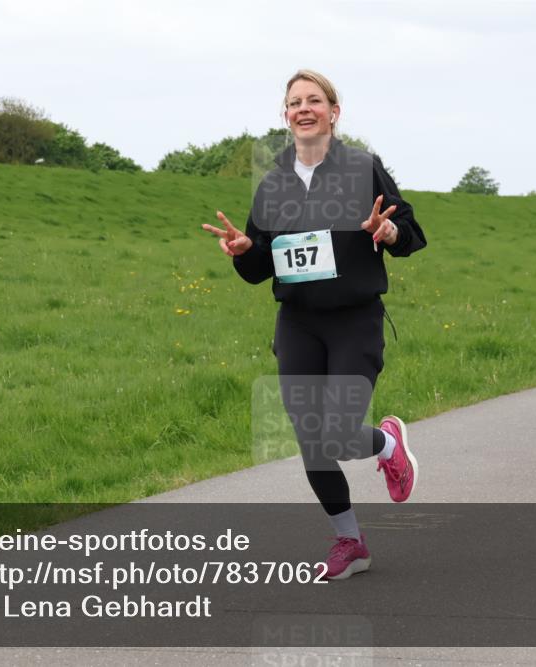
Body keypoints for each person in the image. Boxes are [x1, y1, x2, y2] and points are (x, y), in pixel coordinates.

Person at [202, 70, 427, 580]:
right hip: (298, 322)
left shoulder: (362, 168)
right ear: (285, 116)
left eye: (314, 100)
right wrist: (244, 251)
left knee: (341, 432)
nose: (304, 108)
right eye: (294, 102)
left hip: (354, 318)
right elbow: (261, 266)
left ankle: (389, 445)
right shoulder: (274, 182)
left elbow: (413, 233)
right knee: (311, 437)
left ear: (333, 112)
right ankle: (351, 543)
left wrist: (388, 229)